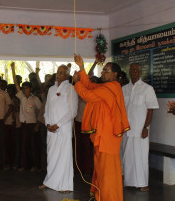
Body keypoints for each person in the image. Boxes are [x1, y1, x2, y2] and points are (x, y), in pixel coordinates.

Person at [72, 54, 130, 201]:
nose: (102, 73)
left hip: (108, 139)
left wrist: (76, 83)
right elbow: (90, 86)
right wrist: (81, 68)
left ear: (115, 74)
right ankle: (100, 196)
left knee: (108, 174)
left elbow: (88, 95)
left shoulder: (111, 88)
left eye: (106, 71)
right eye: (103, 71)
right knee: (100, 171)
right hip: (102, 136)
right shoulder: (107, 87)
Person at [39, 65, 78, 193]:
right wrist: (48, 124)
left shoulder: (71, 89)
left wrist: (58, 124)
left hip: (63, 129)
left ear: (67, 75)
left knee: (64, 157)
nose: (58, 74)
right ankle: (50, 181)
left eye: (61, 72)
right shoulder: (51, 89)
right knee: (51, 156)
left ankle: (65, 185)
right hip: (51, 129)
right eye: (57, 72)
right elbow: (47, 109)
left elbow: (73, 111)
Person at [121, 63, 159, 192]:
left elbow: (150, 110)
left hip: (140, 130)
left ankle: (143, 183)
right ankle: (128, 181)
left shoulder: (147, 89)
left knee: (140, 156)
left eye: (136, 70)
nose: (134, 72)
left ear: (140, 72)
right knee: (127, 156)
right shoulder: (124, 88)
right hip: (126, 130)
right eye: (132, 70)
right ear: (129, 72)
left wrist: (145, 128)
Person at [11, 62, 42, 172]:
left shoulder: (35, 99)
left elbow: (40, 111)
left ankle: (35, 166)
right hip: (23, 124)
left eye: (27, 88)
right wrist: (13, 70)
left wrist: (38, 124)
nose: (25, 90)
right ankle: (24, 165)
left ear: (31, 89)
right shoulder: (22, 97)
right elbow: (15, 84)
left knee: (33, 146)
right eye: (23, 88)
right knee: (23, 145)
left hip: (32, 124)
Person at [0, 76, 13, 169]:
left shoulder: (4, 94)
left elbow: (11, 106)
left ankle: (3, 164)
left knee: (2, 143)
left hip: (0, 120)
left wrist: (4, 118)